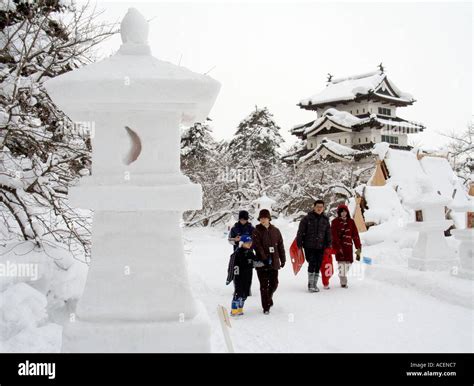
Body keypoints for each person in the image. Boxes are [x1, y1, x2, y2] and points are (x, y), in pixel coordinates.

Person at [252, 209, 286, 314]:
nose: (263, 220)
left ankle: (268, 297)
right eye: (261, 218)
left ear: (269, 218)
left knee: (274, 283)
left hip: (274, 261)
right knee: (263, 285)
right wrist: (264, 258)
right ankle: (265, 307)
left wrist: (283, 258)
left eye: (265, 218)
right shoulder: (256, 231)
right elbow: (257, 247)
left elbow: (280, 245)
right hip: (261, 263)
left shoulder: (275, 230)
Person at [296, 200, 332, 293]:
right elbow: (300, 233)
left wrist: (329, 245)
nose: (319, 208)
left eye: (321, 207)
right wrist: (299, 245)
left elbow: (328, 234)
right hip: (309, 246)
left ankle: (315, 284)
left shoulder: (325, 219)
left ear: (323, 208)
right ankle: (310, 284)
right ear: (314, 207)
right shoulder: (307, 219)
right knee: (312, 263)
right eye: (318, 206)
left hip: (321, 246)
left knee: (318, 264)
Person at [331, 203, 361, 288]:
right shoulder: (335, 222)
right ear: (339, 213)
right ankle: (343, 282)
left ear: (347, 212)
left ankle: (342, 274)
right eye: (342, 212)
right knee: (341, 264)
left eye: (345, 211)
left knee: (348, 264)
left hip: (348, 247)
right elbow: (333, 235)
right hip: (339, 247)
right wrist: (337, 245)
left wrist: (358, 247)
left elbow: (355, 235)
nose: (343, 213)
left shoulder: (351, 222)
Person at [226, 235, 256, 316]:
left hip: (248, 276)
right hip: (239, 276)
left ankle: (240, 309)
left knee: (245, 293)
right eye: (247, 243)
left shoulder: (250, 252)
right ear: (242, 243)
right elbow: (232, 265)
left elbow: (255, 261)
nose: (249, 244)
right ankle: (234, 310)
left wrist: (265, 262)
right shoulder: (238, 253)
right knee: (238, 293)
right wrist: (231, 276)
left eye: (250, 243)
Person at [228, 210, 255, 295]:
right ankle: (237, 289)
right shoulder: (234, 228)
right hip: (237, 253)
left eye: (245, 219)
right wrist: (235, 240)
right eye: (241, 219)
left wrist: (250, 242)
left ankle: (247, 289)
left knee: (248, 272)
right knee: (237, 272)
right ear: (239, 219)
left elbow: (256, 240)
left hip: (249, 253)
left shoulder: (251, 228)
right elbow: (229, 239)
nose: (243, 221)